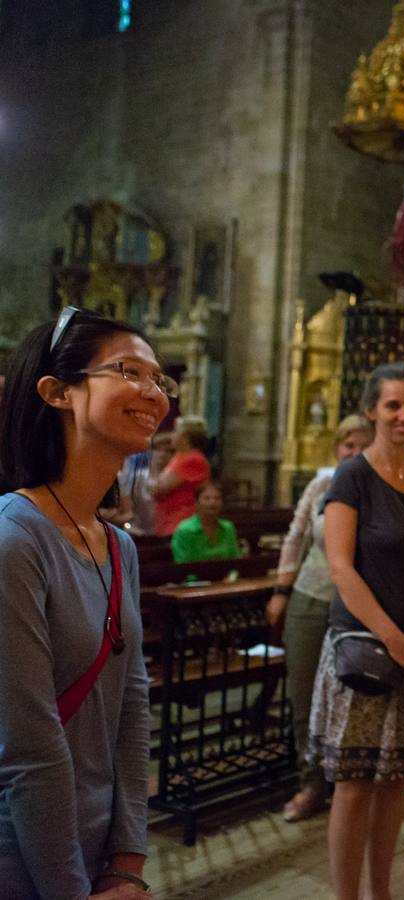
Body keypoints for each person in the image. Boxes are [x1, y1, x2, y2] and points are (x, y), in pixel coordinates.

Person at [0, 306, 171, 899]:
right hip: (23, 855)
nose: (153, 392)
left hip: (100, 847)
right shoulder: (13, 539)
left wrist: (127, 858)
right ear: (57, 392)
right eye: (129, 371)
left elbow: (131, 705)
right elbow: (28, 746)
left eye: (160, 379)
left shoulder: (117, 545)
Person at [311, 363, 404, 900]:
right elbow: (341, 568)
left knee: (396, 778)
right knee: (353, 783)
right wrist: (393, 637)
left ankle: (382, 892)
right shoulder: (352, 476)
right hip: (367, 648)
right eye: (393, 405)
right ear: (371, 409)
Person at [267, 413, 372, 823]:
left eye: (363, 445)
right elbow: (295, 538)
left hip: (359, 605)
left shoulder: (380, 487)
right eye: (348, 445)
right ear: (337, 449)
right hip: (310, 598)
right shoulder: (321, 485)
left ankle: (348, 783)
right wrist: (281, 590)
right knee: (305, 696)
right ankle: (310, 783)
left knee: (353, 699)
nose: (355, 452)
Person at [149, 415, 209, 536]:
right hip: (166, 517)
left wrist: (155, 469)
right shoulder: (179, 457)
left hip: (180, 521)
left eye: (175, 430)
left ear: (185, 437)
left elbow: (158, 490)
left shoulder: (192, 460)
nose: (172, 435)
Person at [169, 480, 241, 563]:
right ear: (196, 503)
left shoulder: (228, 528)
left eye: (217, 498)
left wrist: (232, 576)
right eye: (207, 498)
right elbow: (182, 566)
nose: (213, 502)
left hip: (226, 576)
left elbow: (236, 561)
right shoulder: (184, 530)